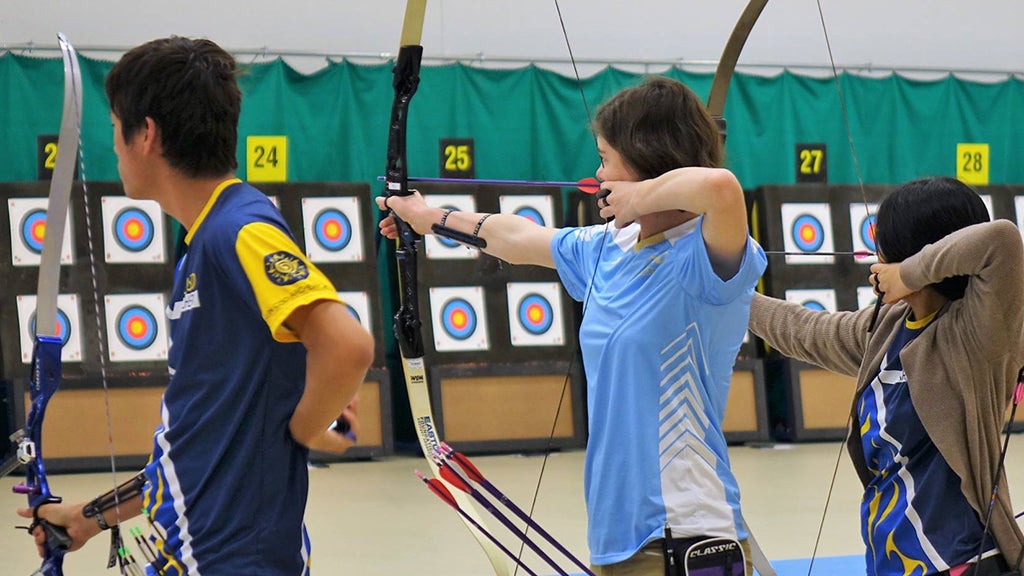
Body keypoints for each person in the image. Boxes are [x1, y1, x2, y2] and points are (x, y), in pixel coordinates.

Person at [378, 75, 767, 576]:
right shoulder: (608, 248)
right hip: (614, 535)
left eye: (606, 158)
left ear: (648, 157)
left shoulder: (706, 259)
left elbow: (720, 187)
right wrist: (427, 216)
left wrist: (639, 196)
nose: (597, 173)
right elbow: (517, 237)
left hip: (685, 533)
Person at [18, 37, 374, 575]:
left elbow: (348, 346)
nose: (113, 145)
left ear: (147, 134)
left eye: (117, 127)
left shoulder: (238, 229)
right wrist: (87, 518)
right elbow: (197, 446)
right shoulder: (207, 240)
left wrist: (301, 430)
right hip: (194, 556)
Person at [748, 177, 1024, 575]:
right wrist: (730, 295)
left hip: (959, 559)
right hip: (891, 562)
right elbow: (804, 329)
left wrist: (908, 273)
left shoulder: (977, 334)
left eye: (883, 242)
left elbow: (1002, 240)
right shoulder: (889, 327)